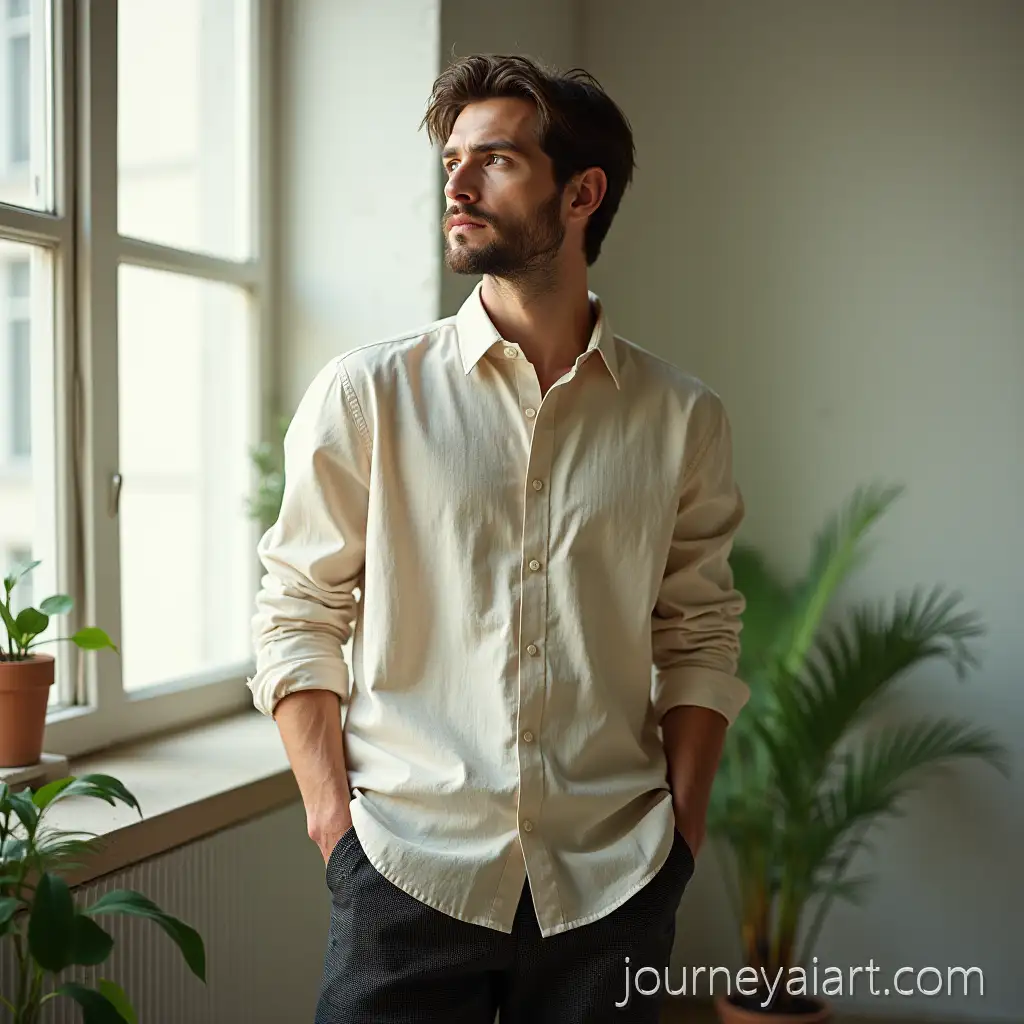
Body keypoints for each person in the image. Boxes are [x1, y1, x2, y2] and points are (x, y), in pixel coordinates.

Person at [248, 53, 749, 1024]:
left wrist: (680, 834)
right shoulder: (370, 394)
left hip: (612, 884)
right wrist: (333, 826)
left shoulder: (682, 418)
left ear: (581, 193)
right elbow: (296, 611)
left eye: (496, 160)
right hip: (404, 872)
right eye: (451, 162)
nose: (458, 183)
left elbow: (699, 636)